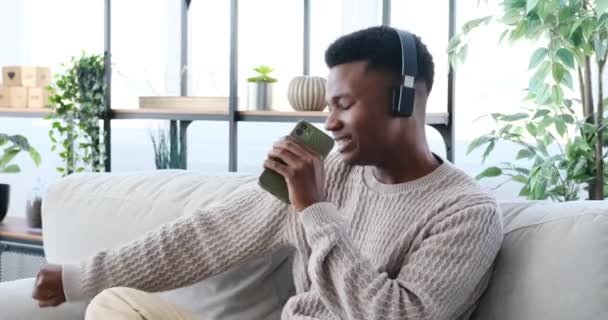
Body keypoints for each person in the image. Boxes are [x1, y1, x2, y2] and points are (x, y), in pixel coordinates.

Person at [32, 26, 503, 320]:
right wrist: (76, 277)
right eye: (327, 107)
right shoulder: (330, 170)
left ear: (404, 101)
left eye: (344, 105)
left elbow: (395, 316)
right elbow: (206, 237)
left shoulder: (466, 212)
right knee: (113, 308)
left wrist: (315, 209)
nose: (330, 123)